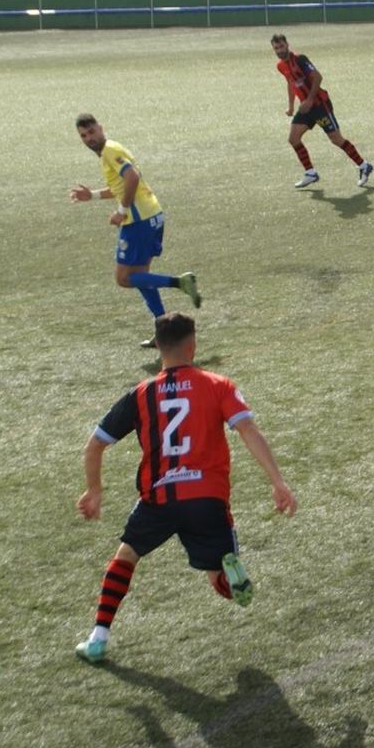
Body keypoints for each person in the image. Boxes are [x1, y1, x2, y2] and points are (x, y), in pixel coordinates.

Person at [72, 312, 298, 664]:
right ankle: (228, 575)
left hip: (158, 499)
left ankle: (98, 638)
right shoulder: (218, 385)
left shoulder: (141, 394)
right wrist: (277, 482)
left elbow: (95, 444)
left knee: (126, 557)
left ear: (158, 347)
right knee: (216, 578)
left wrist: (94, 491)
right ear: (192, 345)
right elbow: (248, 430)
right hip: (207, 498)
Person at [68, 114, 202, 348]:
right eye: (84, 135)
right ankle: (163, 331)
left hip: (138, 221)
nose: (89, 138)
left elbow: (132, 178)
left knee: (124, 278)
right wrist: (93, 195)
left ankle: (180, 282)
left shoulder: (110, 150)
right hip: (152, 214)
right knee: (141, 277)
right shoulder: (110, 151)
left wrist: (121, 211)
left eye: (92, 132)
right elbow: (121, 185)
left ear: (101, 128)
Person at [271, 34, 373, 189]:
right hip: (306, 109)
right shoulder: (281, 66)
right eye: (276, 48)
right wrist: (291, 106)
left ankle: (364, 166)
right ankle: (310, 173)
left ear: (287, 45)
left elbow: (318, 77)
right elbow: (290, 83)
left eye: (281, 46)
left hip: (320, 106)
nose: (279, 50)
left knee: (336, 140)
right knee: (293, 138)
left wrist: (310, 100)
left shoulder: (300, 59)